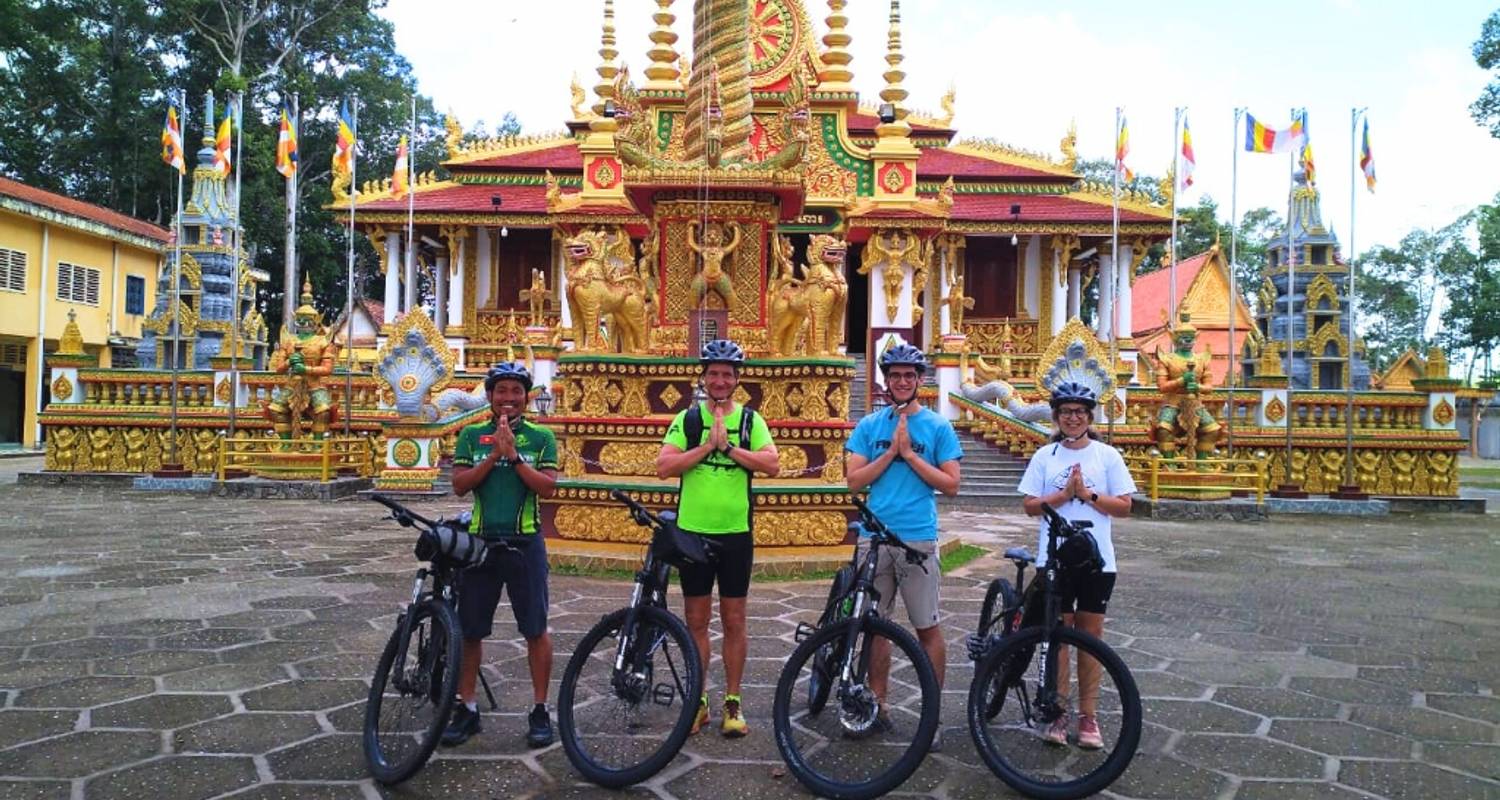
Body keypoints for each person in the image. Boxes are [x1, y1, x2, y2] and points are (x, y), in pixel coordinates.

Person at [656, 339, 778, 737]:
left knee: (734, 620)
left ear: (737, 379)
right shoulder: (688, 419)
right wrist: (708, 445)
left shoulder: (750, 421)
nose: (720, 380)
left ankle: (733, 700)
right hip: (693, 532)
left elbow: (771, 464)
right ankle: (699, 700)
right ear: (704, 378)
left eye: (727, 374)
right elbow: (664, 466)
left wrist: (730, 448)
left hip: (735, 534)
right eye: (714, 373)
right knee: (695, 621)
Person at [843, 343, 962, 743]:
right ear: (886, 380)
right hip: (874, 538)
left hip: (917, 538)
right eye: (895, 375)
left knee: (926, 626)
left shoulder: (938, 427)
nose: (902, 381)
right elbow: (854, 481)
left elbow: (952, 485)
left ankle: (931, 711)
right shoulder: (869, 426)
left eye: (909, 375)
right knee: (878, 626)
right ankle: (878, 704)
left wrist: (910, 456)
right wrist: (891, 452)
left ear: (919, 380)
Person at [1016, 381, 1136, 750]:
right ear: (1056, 416)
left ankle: (1088, 716)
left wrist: (1088, 495)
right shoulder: (1045, 457)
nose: (1072, 418)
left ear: (1089, 416)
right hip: (1053, 559)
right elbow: (1030, 505)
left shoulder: (1106, 456)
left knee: (1090, 639)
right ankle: (1059, 711)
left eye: (1079, 412)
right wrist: (1064, 495)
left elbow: (1126, 506)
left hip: (1096, 560)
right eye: (1066, 412)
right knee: (1058, 638)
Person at [444, 362, 559, 748]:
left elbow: (547, 489)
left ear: (526, 396)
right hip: (480, 545)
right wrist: (495, 454)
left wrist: (515, 456)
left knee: (535, 629)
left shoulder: (542, 437)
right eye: (501, 391)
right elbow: (460, 485)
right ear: (490, 395)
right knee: (471, 630)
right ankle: (468, 707)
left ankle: (540, 709)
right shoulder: (472, 435)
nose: (508, 398)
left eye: (516, 391)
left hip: (525, 543)